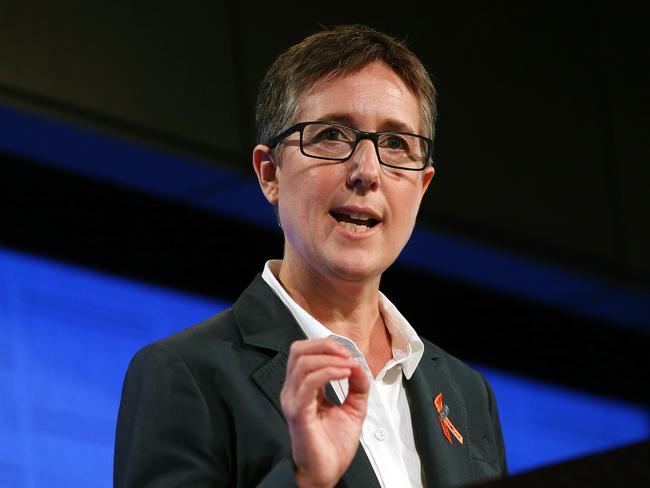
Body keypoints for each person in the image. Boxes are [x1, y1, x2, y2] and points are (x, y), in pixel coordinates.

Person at [114, 24, 507, 487]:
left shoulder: (466, 393)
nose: (367, 172)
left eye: (397, 144)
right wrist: (304, 479)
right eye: (331, 136)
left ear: (421, 187)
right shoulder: (186, 373)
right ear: (269, 174)